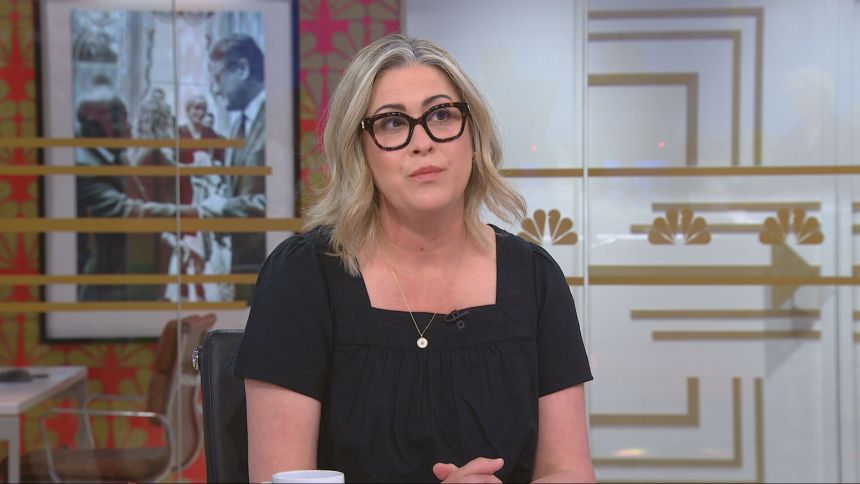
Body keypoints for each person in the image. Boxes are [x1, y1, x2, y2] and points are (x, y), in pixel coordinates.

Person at [234, 34, 595, 482]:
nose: (421, 142)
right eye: (391, 123)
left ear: (473, 134)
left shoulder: (535, 278)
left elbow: (569, 471)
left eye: (441, 115)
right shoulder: (303, 276)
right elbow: (281, 478)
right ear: (359, 150)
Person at [75, 85, 199, 301]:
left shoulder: (117, 157)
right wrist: (198, 213)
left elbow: (140, 204)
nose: (130, 126)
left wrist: (169, 239)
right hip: (104, 291)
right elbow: (130, 212)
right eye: (120, 120)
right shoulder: (84, 166)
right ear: (95, 126)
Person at [204, 34, 267, 294]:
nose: (215, 90)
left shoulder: (279, 121)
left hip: (271, 272)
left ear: (242, 68)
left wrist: (223, 207)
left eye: (217, 78)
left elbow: (286, 202)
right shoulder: (236, 126)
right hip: (244, 270)